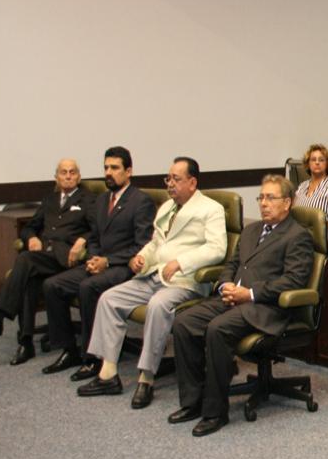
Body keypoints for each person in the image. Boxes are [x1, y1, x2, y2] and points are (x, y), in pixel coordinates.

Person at [76, 157, 227, 408]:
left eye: (176, 179)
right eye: (168, 178)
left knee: (157, 305)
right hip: (154, 275)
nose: (170, 184)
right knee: (109, 299)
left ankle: (146, 378)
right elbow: (156, 243)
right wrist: (142, 258)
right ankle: (108, 374)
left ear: (192, 182)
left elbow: (217, 249)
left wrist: (181, 262)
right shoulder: (167, 206)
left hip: (185, 281)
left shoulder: (211, 209)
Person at [170, 175, 314, 437]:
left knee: (217, 329)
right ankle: (193, 402)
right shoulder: (251, 230)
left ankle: (215, 413)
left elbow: (293, 280)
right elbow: (232, 265)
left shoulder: (297, 235)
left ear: (287, 203)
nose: (264, 203)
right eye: (261, 197)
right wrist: (225, 286)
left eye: (271, 198)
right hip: (232, 298)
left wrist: (249, 294)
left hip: (264, 307)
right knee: (183, 322)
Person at [41, 147, 156, 378]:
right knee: (52, 285)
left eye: (115, 168)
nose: (108, 173)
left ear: (128, 171)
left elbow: (142, 245)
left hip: (124, 267)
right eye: (106, 167)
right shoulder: (102, 199)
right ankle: (69, 349)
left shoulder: (140, 201)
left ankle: (93, 358)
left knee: (88, 287)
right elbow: (93, 236)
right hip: (99, 263)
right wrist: (94, 258)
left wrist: (108, 261)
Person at [0, 159, 94, 365]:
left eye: (72, 172)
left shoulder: (88, 199)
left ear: (79, 177)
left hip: (66, 258)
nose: (68, 176)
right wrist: (32, 238)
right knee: (29, 280)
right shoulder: (49, 200)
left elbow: (98, 228)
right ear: (56, 178)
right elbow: (29, 227)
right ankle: (26, 343)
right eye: (63, 172)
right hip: (44, 256)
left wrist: (82, 240)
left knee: (25, 259)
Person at [293, 143, 328, 229]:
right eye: (313, 160)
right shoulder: (302, 186)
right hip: (299, 233)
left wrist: (319, 232)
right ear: (308, 164)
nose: (317, 162)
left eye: (321, 160)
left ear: (327, 164)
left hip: (321, 234)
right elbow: (293, 212)